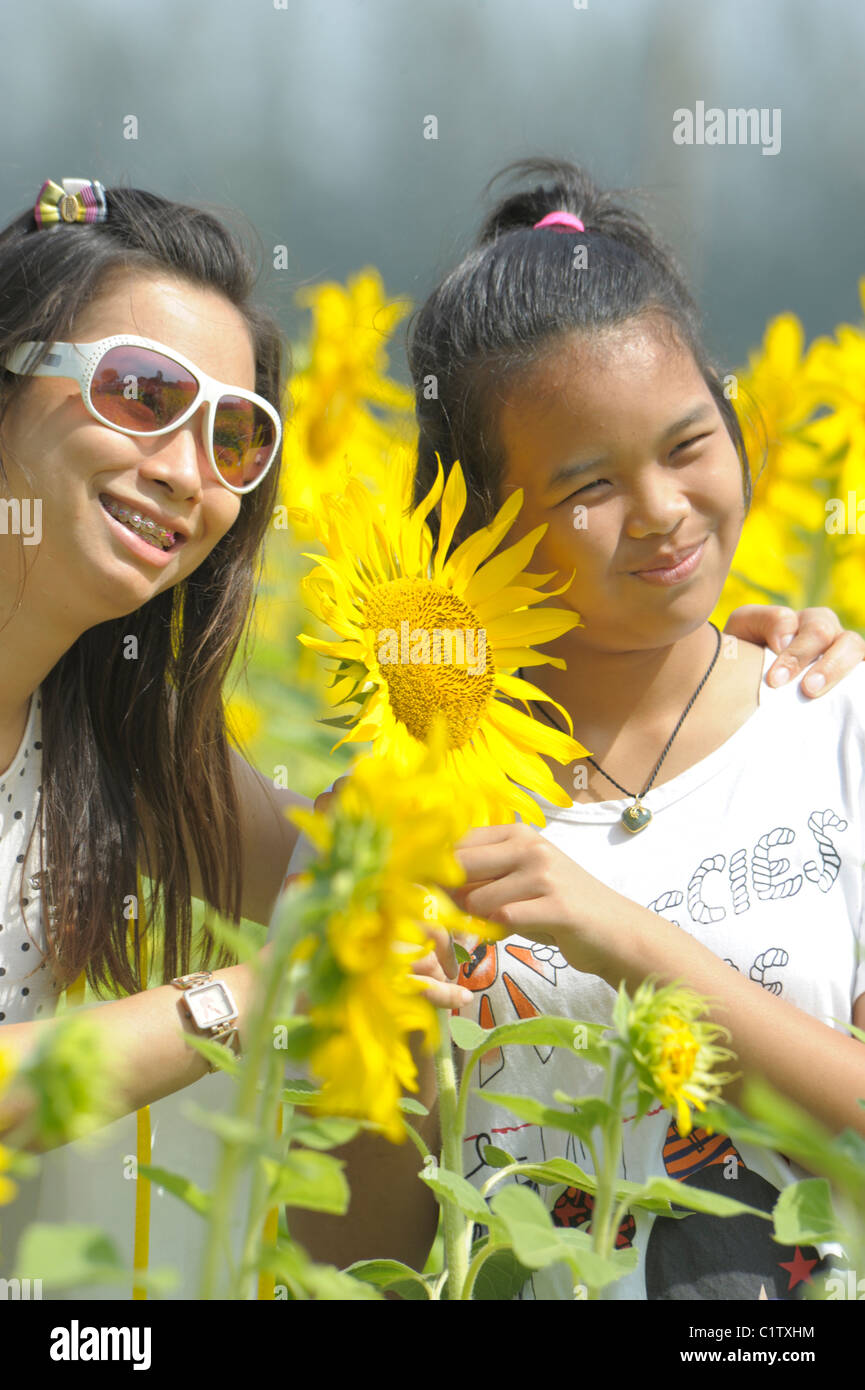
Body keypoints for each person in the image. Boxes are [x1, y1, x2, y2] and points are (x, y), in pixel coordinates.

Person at [288, 159, 865, 1300]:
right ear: (477, 517)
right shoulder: (409, 811)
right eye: (586, 485)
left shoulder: (835, 726)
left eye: (689, 444)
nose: (660, 511)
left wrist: (626, 940)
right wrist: (385, 1017)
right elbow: (357, 1260)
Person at [0, 177, 310, 1285]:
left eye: (233, 435)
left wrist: (716, 678)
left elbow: (363, 882)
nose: (186, 472)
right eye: (142, 392)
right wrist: (247, 998)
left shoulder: (107, 730)